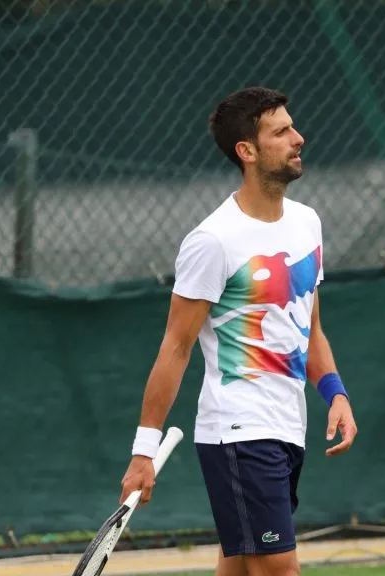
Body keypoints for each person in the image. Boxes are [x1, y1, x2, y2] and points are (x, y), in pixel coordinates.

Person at [118, 86, 358, 576]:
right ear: (246, 152)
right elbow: (176, 347)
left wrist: (334, 392)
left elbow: (309, 326)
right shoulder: (213, 241)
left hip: (288, 425)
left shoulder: (307, 223)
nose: (299, 138)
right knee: (278, 569)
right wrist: (143, 452)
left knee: (240, 566)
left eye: (293, 126)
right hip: (239, 431)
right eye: (281, 132)